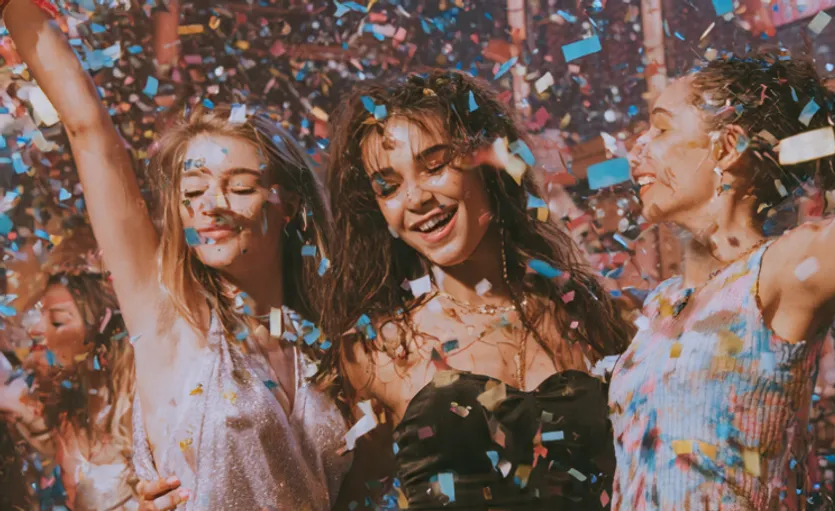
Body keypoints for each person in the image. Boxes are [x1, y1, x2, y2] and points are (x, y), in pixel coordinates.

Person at [2, 1, 351, 509]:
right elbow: (90, 132)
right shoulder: (169, 316)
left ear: (290, 202)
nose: (212, 206)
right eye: (193, 190)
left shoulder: (325, 340)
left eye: (239, 186)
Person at [320, 69, 634, 510]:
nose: (415, 199)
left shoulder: (583, 312)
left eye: (434, 165)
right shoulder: (376, 355)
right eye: (388, 186)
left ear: (488, 162)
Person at [608, 52, 835, 510]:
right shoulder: (660, 304)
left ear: (727, 146)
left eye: (662, 129)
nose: (637, 151)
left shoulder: (780, 274)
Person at [0, 230, 138, 510]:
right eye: (40, 315)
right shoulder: (65, 411)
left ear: (101, 330)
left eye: (58, 321)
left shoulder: (142, 409)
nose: (36, 329)